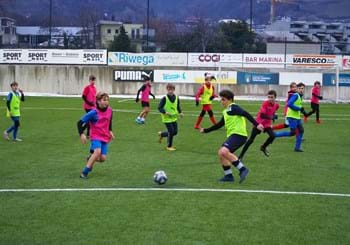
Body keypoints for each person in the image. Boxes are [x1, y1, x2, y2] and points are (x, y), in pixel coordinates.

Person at [200, 90, 264, 183]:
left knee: (223, 151)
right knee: (221, 154)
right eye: (221, 99)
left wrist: (257, 124)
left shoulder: (233, 107)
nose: (221, 101)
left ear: (230, 100)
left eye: (223, 99)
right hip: (234, 135)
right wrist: (205, 130)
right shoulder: (226, 111)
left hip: (239, 135)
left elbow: (245, 113)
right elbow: (219, 125)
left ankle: (242, 169)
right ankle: (229, 176)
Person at [77, 92, 115, 179]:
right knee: (97, 152)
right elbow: (79, 123)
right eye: (104, 100)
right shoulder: (93, 112)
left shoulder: (110, 110)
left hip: (105, 136)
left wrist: (110, 131)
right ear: (98, 101)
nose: (106, 102)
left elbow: (109, 121)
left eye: (107, 100)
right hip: (95, 136)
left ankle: (90, 158)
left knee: (102, 159)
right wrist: (81, 134)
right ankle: (84, 172)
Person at [238, 90, 279, 160]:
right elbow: (262, 115)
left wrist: (273, 116)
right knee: (251, 140)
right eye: (268, 97)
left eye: (272, 97)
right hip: (258, 123)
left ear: (275, 98)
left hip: (267, 124)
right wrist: (271, 117)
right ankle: (240, 156)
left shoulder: (276, 105)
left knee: (273, 136)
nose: (270, 99)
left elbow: (273, 111)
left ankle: (263, 147)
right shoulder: (265, 103)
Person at [274, 82, 306, 152]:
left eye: (302, 88)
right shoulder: (295, 95)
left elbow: (298, 106)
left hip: (297, 117)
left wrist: (303, 111)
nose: (301, 90)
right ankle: (274, 135)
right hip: (291, 117)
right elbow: (289, 104)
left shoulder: (300, 96)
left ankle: (297, 148)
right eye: (299, 88)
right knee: (293, 132)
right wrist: (298, 109)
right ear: (297, 89)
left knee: (301, 130)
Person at [158, 83, 184, 151]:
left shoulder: (176, 98)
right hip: (166, 118)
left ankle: (162, 134)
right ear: (167, 89)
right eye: (169, 89)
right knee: (171, 131)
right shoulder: (164, 98)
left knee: (175, 132)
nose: (170, 91)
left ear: (174, 90)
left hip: (174, 118)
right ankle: (169, 146)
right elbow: (159, 108)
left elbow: (178, 106)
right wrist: (165, 112)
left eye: (172, 89)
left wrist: (180, 112)